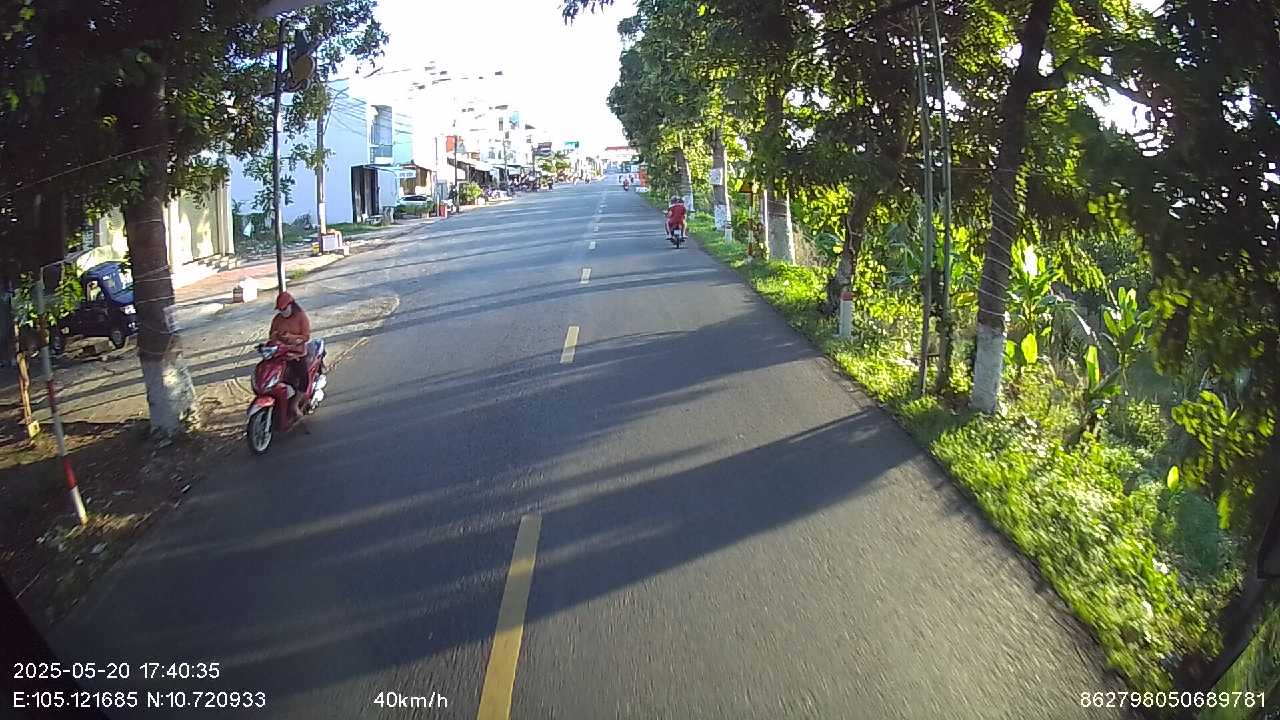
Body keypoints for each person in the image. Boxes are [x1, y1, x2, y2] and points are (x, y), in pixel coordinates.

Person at [269, 291, 311, 423]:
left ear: (291, 305)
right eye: (280, 310)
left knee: (304, 378)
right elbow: (271, 335)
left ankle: (294, 405)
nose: (282, 312)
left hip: (297, 353)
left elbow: (306, 337)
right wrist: (277, 337)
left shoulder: (301, 316)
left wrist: (291, 338)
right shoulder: (277, 319)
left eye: (284, 309)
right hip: (281, 353)